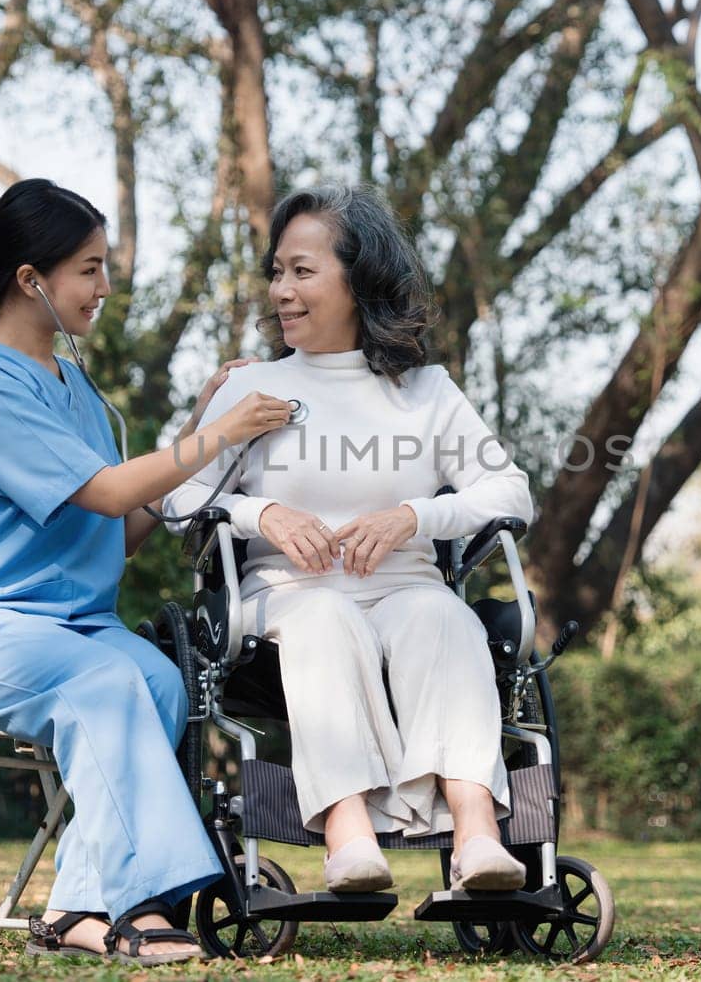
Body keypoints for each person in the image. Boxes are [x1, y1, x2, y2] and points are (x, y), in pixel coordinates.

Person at [0, 178, 293, 965]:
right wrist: (217, 435)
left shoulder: (75, 386)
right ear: (30, 279)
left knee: (159, 681)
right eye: (90, 268)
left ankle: (77, 905)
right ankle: (138, 904)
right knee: (107, 685)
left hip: (68, 627)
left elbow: (124, 525)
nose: (105, 287)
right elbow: (110, 489)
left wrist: (205, 420)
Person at [163, 184, 535, 894]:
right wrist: (261, 513)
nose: (282, 290)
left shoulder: (425, 390)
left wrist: (414, 516)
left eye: (302, 271)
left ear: (358, 278)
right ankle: (347, 832)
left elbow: (510, 491)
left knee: (445, 617)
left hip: (405, 585)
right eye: (278, 272)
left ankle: (477, 832)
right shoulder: (256, 385)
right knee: (327, 619)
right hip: (288, 597)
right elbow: (177, 498)